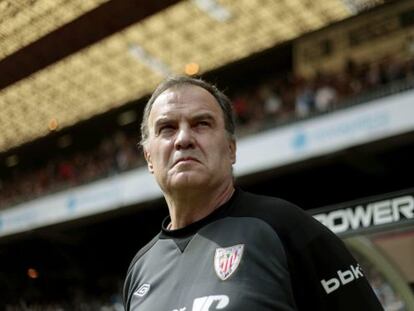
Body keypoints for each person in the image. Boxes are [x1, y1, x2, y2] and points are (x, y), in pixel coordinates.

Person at [123, 76, 384, 311]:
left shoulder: (286, 228)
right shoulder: (140, 270)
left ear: (231, 149)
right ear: (148, 158)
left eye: (201, 123)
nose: (183, 139)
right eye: (167, 128)